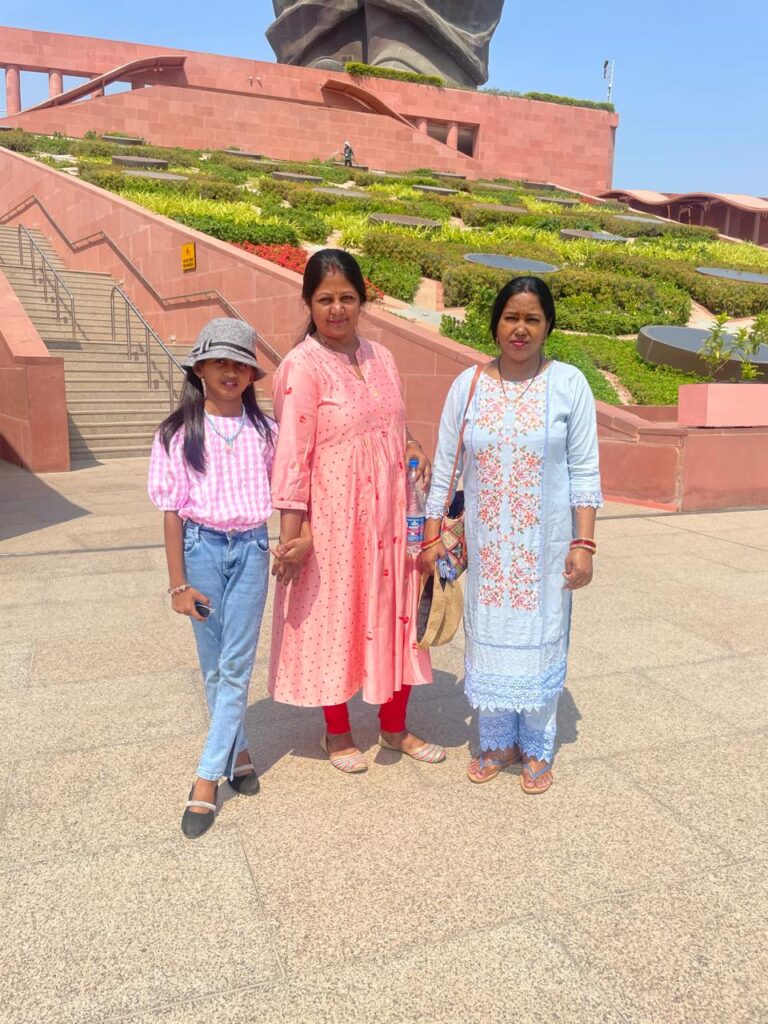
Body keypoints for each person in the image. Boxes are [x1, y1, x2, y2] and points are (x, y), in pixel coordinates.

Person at [422, 277, 602, 794]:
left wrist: (583, 543)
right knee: (490, 640)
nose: (520, 329)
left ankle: (537, 745)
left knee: (542, 640)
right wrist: (432, 535)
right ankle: (498, 741)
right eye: (510, 317)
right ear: (495, 323)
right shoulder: (470, 384)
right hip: (488, 553)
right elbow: (445, 470)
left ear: (548, 326)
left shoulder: (568, 384)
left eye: (532, 319)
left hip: (544, 551)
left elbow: (585, 471)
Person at [268, 248, 445, 772]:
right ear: (308, 302)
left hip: (393, 519)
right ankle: (337, 732)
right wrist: (294, 534)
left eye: (347, 297)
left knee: (397, 612)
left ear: (362, 300)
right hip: (336, 521)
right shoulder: (301, 367)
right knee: (334, 617)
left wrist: (411, 444)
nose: (337, 309)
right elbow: (292, 458)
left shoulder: (382, 358)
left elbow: (391, 423)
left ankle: (395, 728)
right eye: (325, 299)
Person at [148, 319, 277, 838]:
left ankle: (206, 777)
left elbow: (287, 492)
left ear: (250, 374)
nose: (230, 371)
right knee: (212, 663)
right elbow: (172, 510)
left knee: (237, 662)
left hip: (251, 550)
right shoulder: (178, 432)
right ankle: (238, 752)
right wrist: (178, 585)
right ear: (199, 367)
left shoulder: (267, 432)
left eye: (240, 363)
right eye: (220, 361)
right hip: (200, 550)